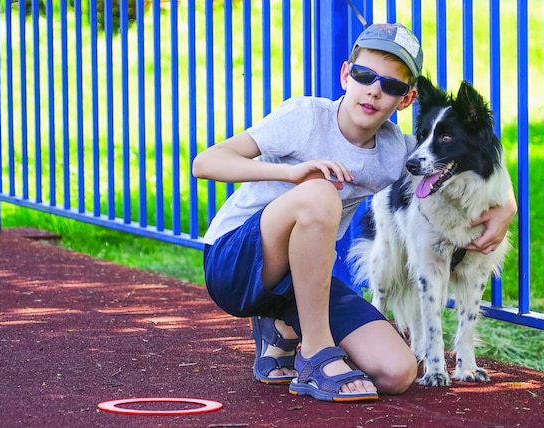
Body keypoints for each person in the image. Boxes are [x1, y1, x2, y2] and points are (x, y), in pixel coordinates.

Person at [192, 23, 517, 402]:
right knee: (319, 193)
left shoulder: (396, 152)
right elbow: (206, 162)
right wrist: (291, 172)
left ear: (407, 99)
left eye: (392, 86)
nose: (375, 90)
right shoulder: (305, 117)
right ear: (346, 74)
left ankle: (278, 326)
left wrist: (507, 206)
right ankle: (315, 355)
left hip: (298, 283)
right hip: (234, 264)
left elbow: (465, 159)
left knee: (397, 372)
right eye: (365, 76)